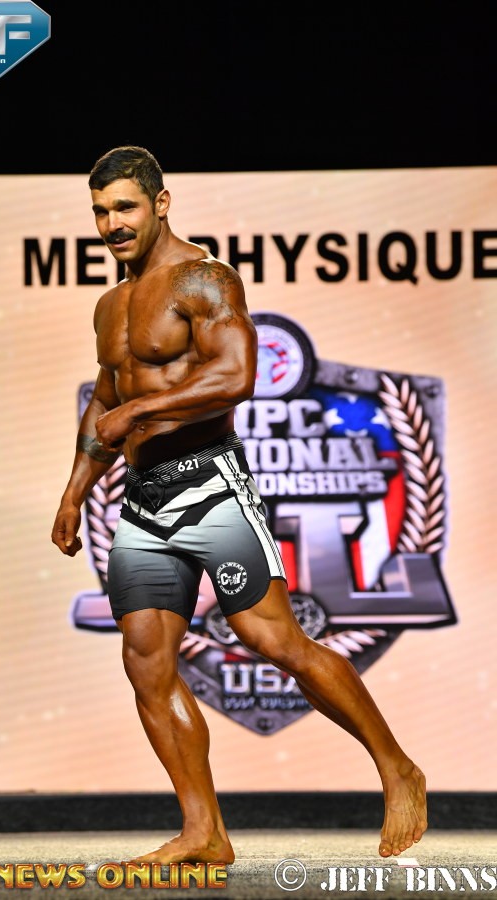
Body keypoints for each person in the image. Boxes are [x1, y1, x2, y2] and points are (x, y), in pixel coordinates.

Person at [51, 145, 427, 865]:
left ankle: (396, 767)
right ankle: (205, 831)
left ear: (161, 204)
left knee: (275, 641)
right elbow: (105, 399)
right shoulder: (109, 305)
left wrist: (139, 413)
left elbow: (236, 375)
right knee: (146, 664)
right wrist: (74, 492)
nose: (112, 224)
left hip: (211, 485)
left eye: (125, 207)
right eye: (100, 212)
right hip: (143, 499)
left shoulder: (204, 278)